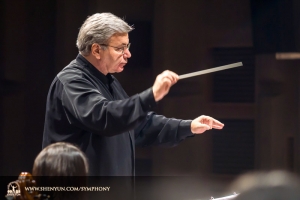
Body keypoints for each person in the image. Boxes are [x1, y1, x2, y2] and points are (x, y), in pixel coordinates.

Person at [42, 12, 224, 176]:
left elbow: (138, 125)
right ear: (97, 50)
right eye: (120, 48)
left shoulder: (109, 81)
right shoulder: (71, 81)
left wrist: (189, 126)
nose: (128, 54)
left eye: (127, 46)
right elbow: (104, 116)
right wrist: (151, 94)